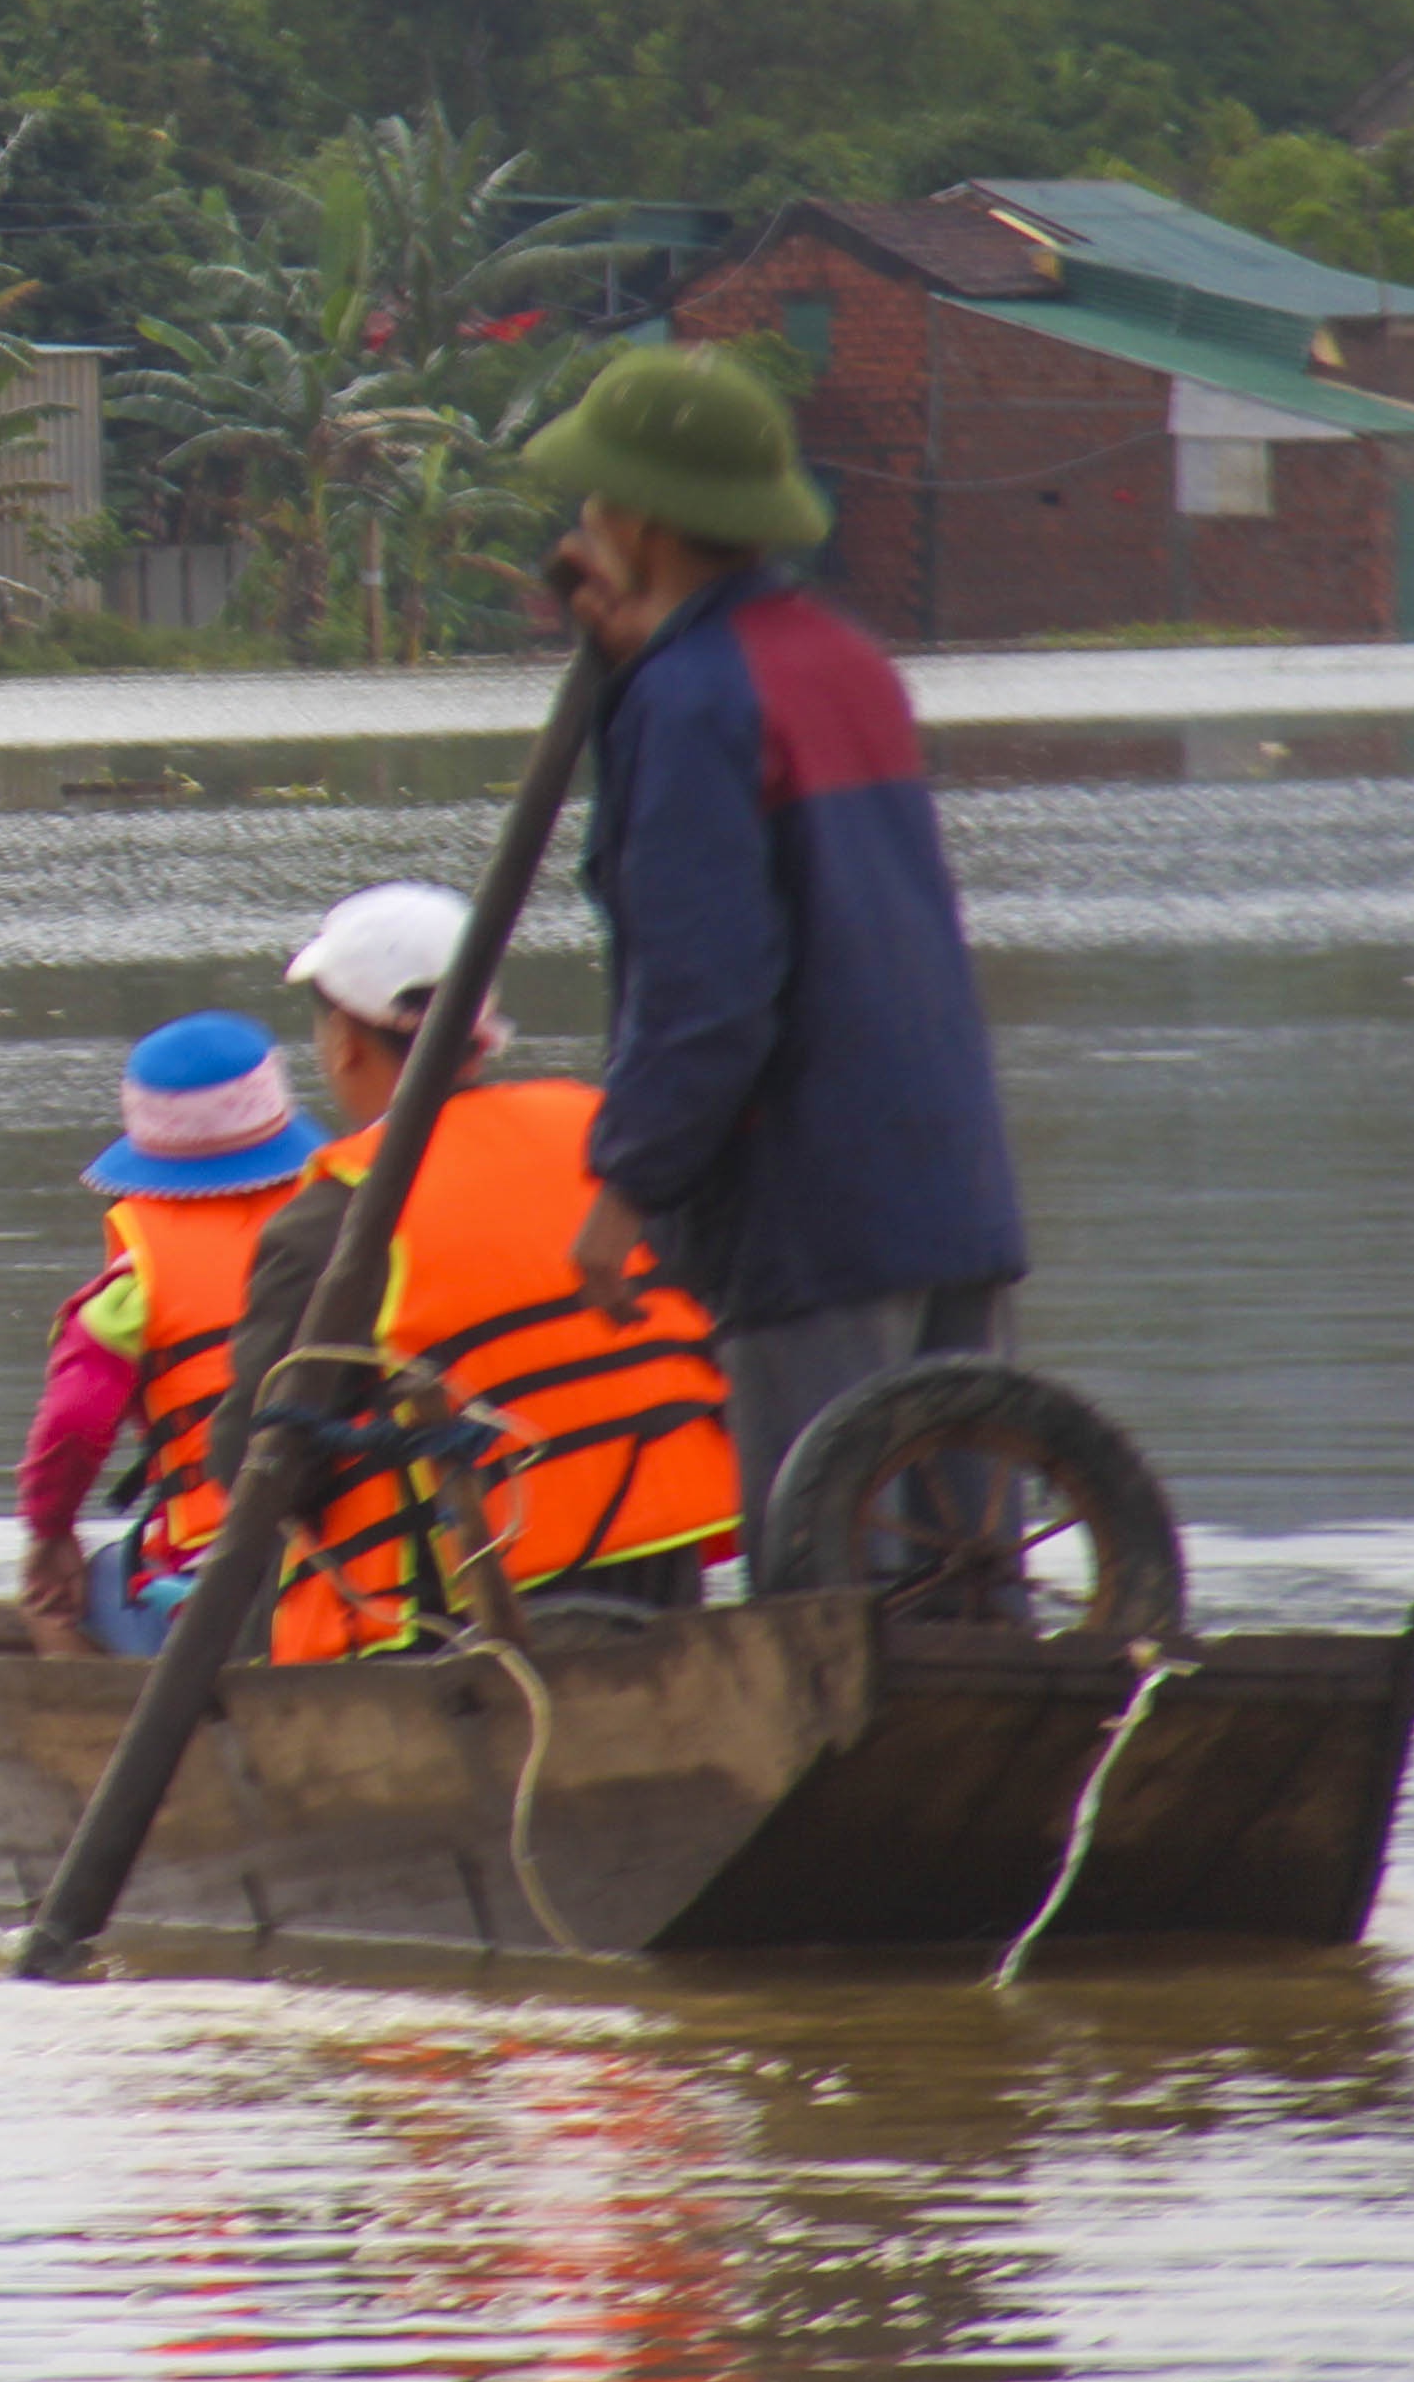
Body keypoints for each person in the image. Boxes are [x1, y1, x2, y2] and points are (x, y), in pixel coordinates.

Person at [523, 347, 1027, 1561]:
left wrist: (628, 1189)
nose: (585, 527)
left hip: (814, 1209)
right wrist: (640, 654)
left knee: (829, 1588)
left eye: (598, 507)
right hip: (950, 1182)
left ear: (639, 523)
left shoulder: (690, 701)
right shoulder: (845, 660)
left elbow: (707, 992)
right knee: (963, 1591)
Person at [203, 881, 740, 1659]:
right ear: (482, 1033)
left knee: (250, 1584)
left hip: (449, 1621)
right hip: (658, 1578)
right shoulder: (606, 1141)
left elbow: (255, 1468)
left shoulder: (333, 1219)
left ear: (346, 1044)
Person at [18, 1012, 323, 1656]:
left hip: (221, 1582)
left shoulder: (133, 1286)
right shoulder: (353, 1222)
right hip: (371, 1559)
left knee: (55, 1602)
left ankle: (109, 1744)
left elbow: (74, 1421)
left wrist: (50, 1538)